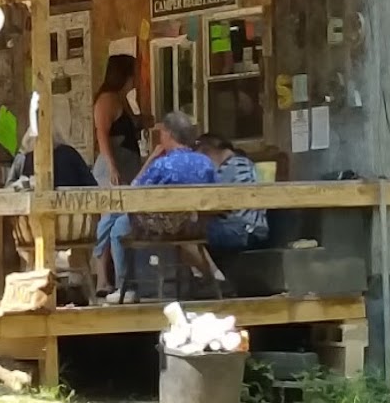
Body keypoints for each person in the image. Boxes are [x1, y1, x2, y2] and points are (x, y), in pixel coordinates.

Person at [94, 110, 220, 304]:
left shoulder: (163, 165)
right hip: (193, 226)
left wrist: (151, 159)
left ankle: (126, 287)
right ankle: (210, 278)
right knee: (116, 219)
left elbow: (134, 191)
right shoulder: (206, 163)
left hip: (161, 227)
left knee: (118, 228)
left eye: (162, 133)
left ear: (169, 134)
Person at [197, 134, 269, 255]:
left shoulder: (228, 169)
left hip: (241, 231)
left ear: (208, 152)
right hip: (257, 229)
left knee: (187, 239)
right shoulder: (246, 163)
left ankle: (213, 273)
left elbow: (214, 204)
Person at [91, 54, 142, 188]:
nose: (137, 77)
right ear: (125, 75)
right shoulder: (107, 99)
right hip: (113, 170)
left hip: (127, 167)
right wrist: (112, 167)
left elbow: (130, 125)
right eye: (135, 73)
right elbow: (102, 133)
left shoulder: (121, 98)